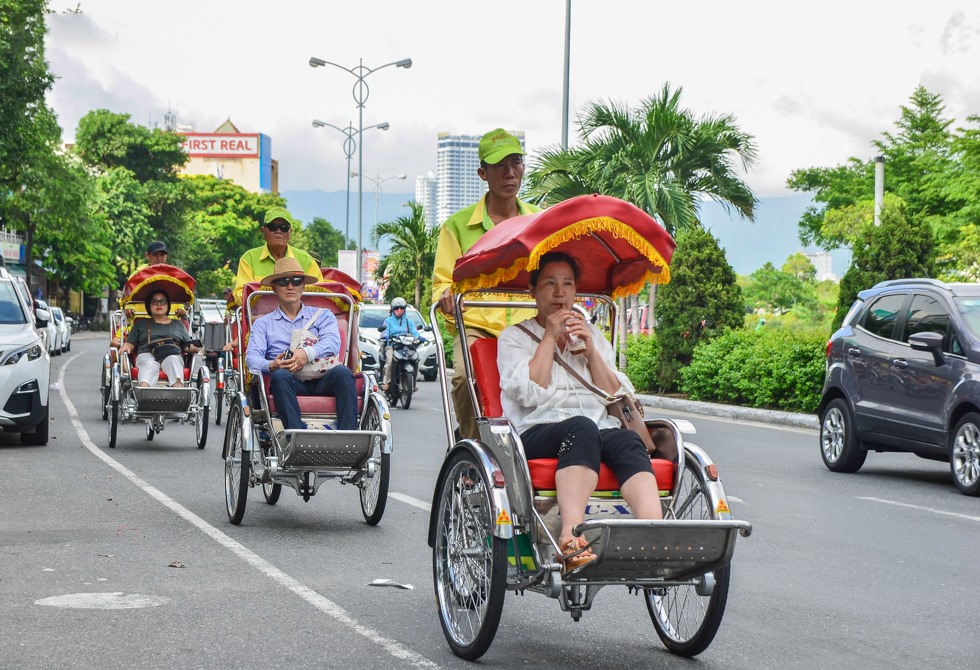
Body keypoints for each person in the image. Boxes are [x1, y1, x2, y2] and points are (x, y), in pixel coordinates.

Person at [497, 252, 663, 572]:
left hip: (593, 428)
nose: (560, 292)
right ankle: (571, 538)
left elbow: (616, 395)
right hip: (535, 429)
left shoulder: (592, 336)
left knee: (626, 441)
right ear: (533, 290)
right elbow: (528, 392)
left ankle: (653, 535)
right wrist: (548, 337)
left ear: (576, 291)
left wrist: (591, 353)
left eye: (567, 284)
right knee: (582, 427)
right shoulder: (515, 337)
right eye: (549, 283)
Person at [432, 128, 540, 439]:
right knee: (465, 379)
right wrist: (447, 297)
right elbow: (442, 283)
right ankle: (471, 446)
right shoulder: (456, 227)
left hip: (529, 325)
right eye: (499, 166)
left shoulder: (539, 222)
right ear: (482, 173)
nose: (509, 173)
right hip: (477, 326)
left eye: (515, 163)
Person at [244, 257, 357, 431]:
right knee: (280, 375)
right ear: (274, 287)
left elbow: (333, 343)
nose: (290, 286)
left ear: (303, 286)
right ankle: (295, 436)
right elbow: (252, 359)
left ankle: (348, 437)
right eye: (283, 281)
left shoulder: (323, 315)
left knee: (343, 372)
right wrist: (272, 365)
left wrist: (307, 353)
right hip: (288, 381)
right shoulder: (263, 323)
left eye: (296, 281)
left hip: (322, 378)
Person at [232, 206, 323, 307]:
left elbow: (321, 295)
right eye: (273, 227)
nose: (278, 231)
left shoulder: (306, 259)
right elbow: (240, 295)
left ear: (290, 232)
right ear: (263, 230)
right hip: (259, 318)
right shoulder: (249, 258)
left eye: (284, 228)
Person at [118, 289, 199, 388]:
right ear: (149, 305)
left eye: (162, 302)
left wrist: (193, 348)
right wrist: (125, 346)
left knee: (173, 360)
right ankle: (144, 393)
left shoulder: (178, 324)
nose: (159, 305)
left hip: (171, 354)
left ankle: (178, 394)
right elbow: (130, 344)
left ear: (168, 305)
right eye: (155, 302)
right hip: (147, 354)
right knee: (150, 364)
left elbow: (187, 345)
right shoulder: (141, 323)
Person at [380, 297, 420, 391]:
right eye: (396, 308)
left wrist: (419, 338)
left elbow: (415, 333)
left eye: (402, 308)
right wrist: (385, 336)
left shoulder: (408, 322)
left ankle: (413, 383)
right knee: (390, 361)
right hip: (392, 346)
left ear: (405, 309)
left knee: (416, 359)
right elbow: (385, 332)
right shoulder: (388, 321)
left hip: (406, 346)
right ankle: (386, 382)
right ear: (392, 309)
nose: (399, 310)